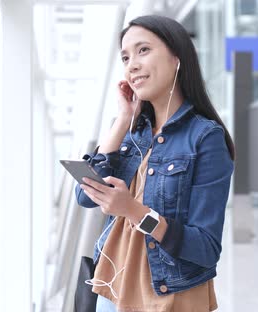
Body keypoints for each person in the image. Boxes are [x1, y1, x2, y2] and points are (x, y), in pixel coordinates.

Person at [75, 15, 235, 312]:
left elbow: (205, 248)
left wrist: (133, 211)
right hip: (110, 292)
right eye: (125, 57)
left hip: (166, 296)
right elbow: (85, 195)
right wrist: (123, 120)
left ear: (177, 58)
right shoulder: (131, 132)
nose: (132, 64)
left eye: (143, 50)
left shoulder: (205, 138)